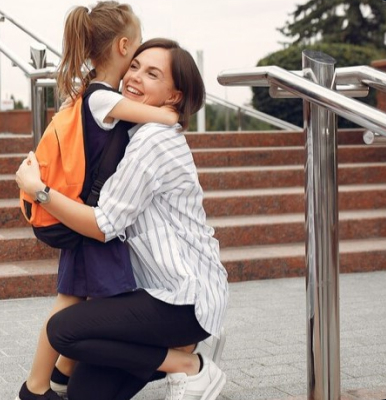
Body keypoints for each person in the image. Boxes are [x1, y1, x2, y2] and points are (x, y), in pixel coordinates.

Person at [16, 38, 229, 400]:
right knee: (87, 394)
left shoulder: (153, 140)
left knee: (63, 330)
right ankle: (182, 350)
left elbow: (103, 226)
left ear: (174, 95)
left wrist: (39, 191)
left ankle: (189, 365)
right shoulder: (132, 130)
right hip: (152, 295)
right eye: (134, 66)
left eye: (152, 74)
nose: (135, 77)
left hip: (184, 298)